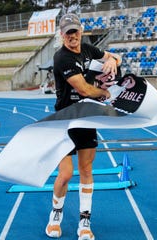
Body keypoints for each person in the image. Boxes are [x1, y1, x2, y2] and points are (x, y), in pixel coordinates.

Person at [45, 13, 122, 240]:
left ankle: (84, 222)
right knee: (67, 174)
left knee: (87, 171)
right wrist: (106, 94)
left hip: (86, 119)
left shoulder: (89, 49)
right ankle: (56, 215)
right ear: (62, 35)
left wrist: (112, 60)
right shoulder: (62, 58)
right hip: (65, 120)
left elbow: (115, 57)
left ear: (81, 31)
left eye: (75, 31)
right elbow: (85, 90)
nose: (72, 36)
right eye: (68, 33)